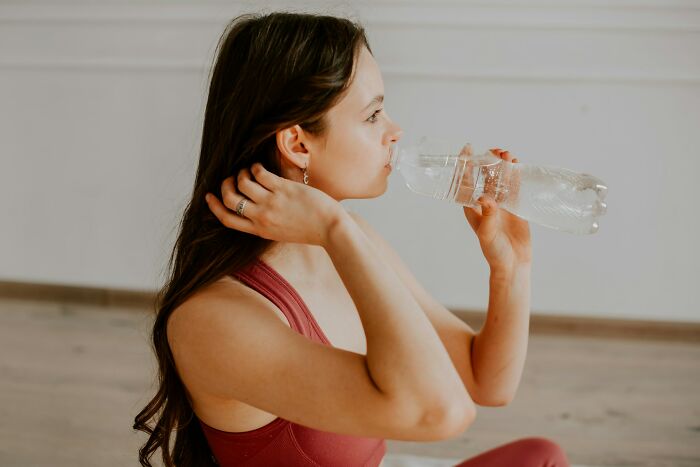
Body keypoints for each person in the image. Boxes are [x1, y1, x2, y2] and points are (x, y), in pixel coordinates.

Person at [133, 11, 570, 467]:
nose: (394, 131)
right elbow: (442, 413)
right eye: (373, 114)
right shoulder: (213, 319)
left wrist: (511, 267)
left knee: (542, 456)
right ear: (298, 144)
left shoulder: (350, 242)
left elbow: (487, 383)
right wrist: (335, 230)